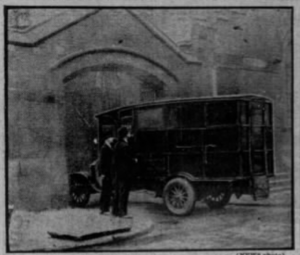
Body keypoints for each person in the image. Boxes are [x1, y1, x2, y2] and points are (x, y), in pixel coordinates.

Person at [112, 127, 137, 217]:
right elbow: (127, 158)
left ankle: (115, 211)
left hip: (118, 172)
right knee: (124, 192)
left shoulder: (117, 144)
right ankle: (122, 212)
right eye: (128, 133)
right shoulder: (124, 146)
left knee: (118, 192)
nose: (130, 134)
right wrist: (134, 160)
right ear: (125, 135)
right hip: (125, 172)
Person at [99, 137, 117, 214]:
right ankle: (104, 208)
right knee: (105, 191)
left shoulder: (108, 147)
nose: (112, 139)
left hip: (108, 172)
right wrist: (103, 173)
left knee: (107, 190)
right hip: (106, 173)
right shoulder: (104, 148)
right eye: (110, 138)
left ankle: (105, 208)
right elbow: (102, 162)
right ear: (107, 140)